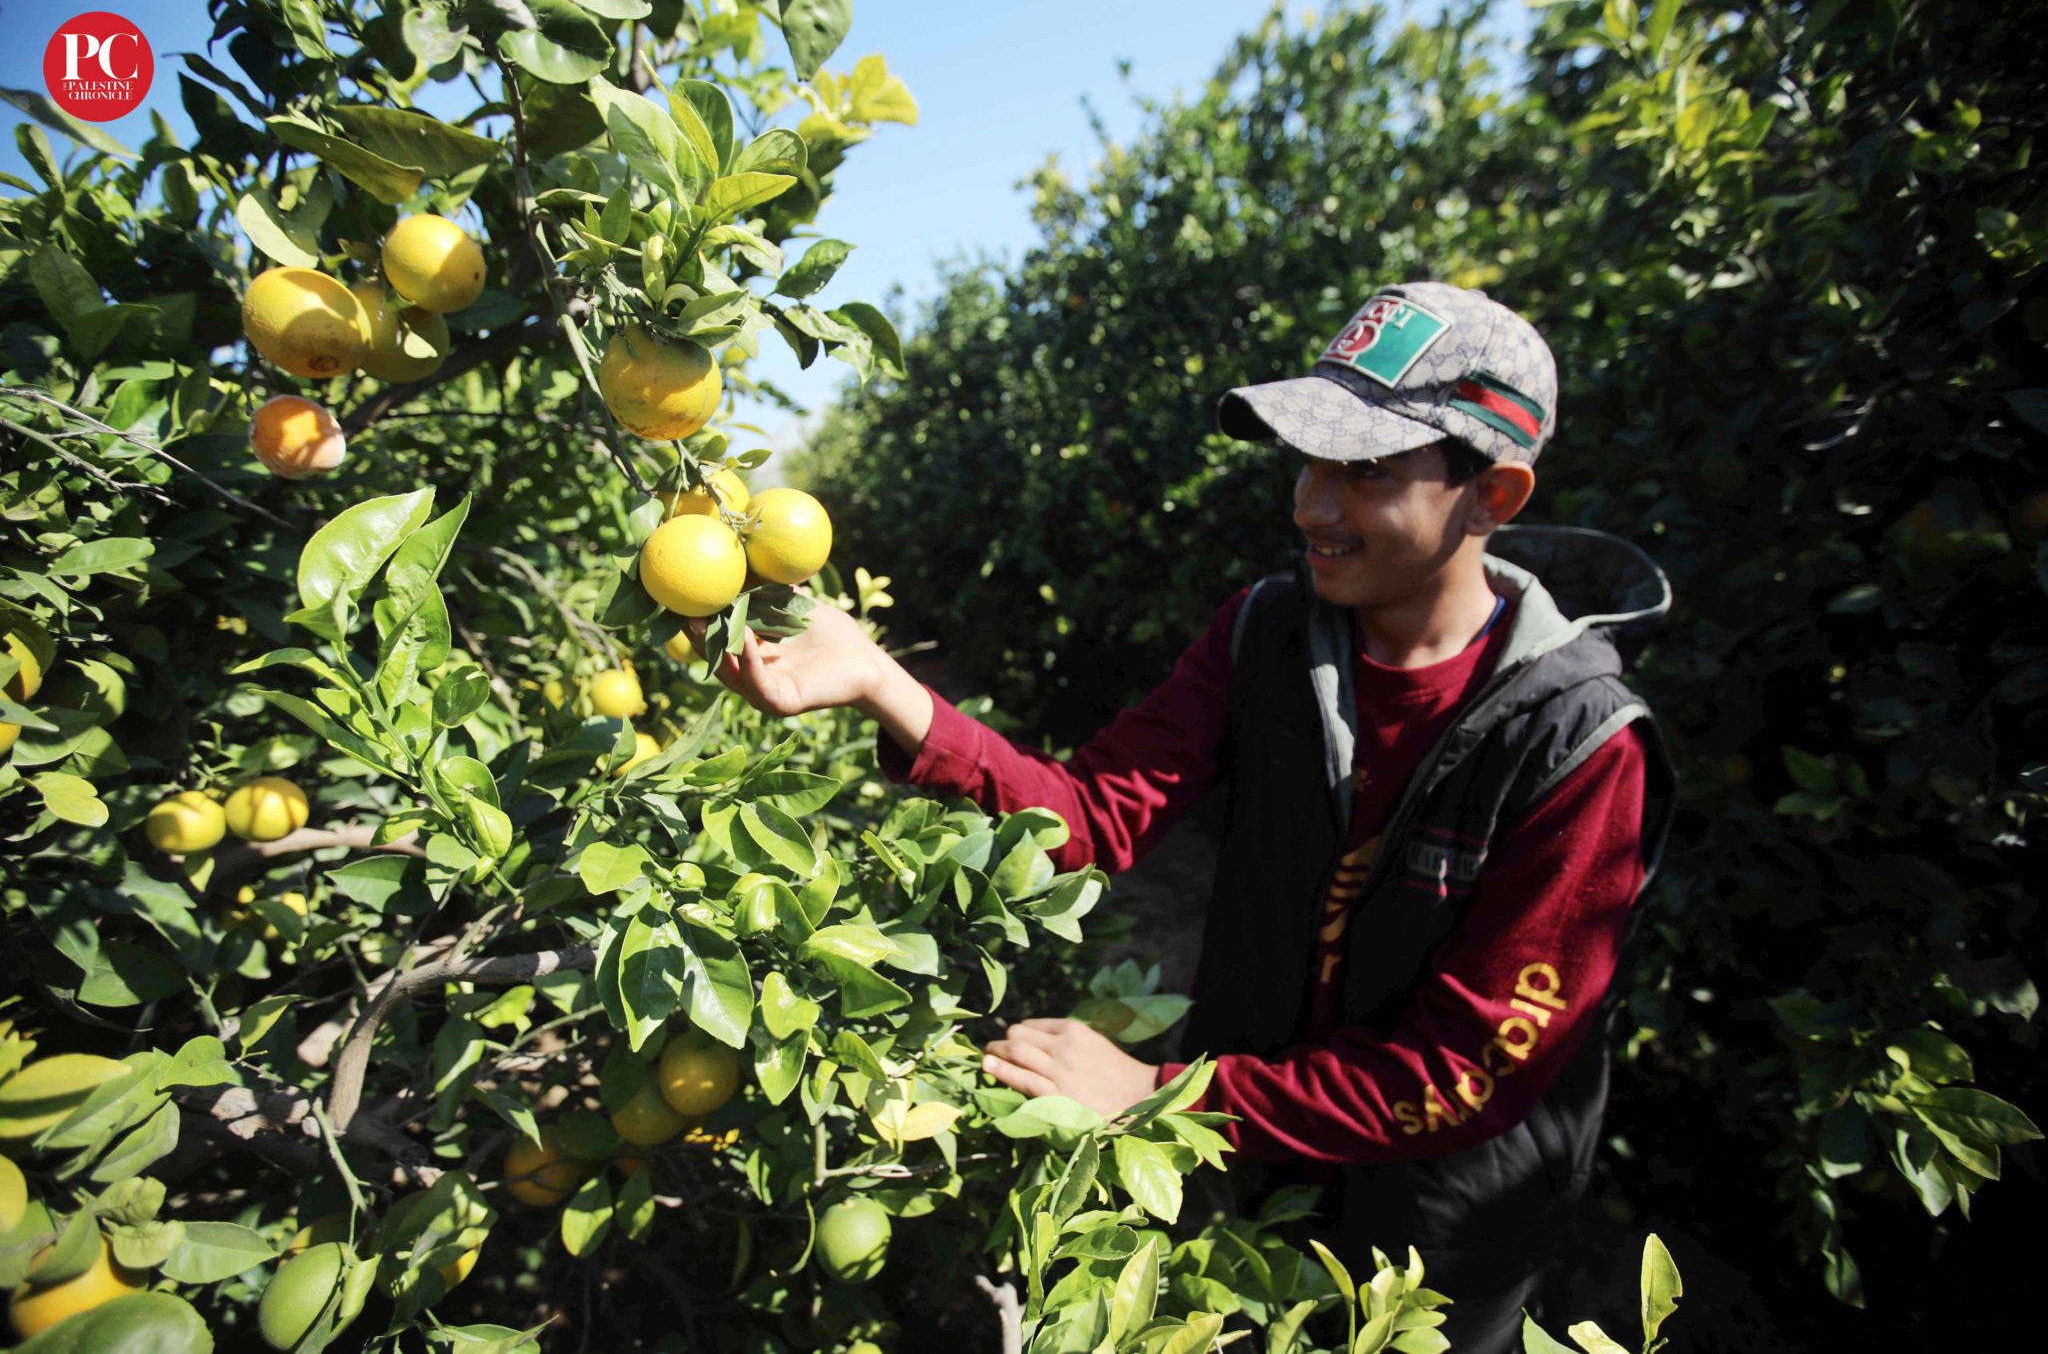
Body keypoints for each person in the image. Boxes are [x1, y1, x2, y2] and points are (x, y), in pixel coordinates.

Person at [685, 282, 1677, 1354]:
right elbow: (1089, 819)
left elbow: (1461, 1070)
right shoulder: (1268, 635)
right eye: (1308, 459)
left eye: (1366, 471)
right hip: (1258, 1147)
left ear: (1492, 494)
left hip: (1442, 1215)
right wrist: (886, 688)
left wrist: (1160, 1096)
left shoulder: (1578, 746)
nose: (1310, 504)